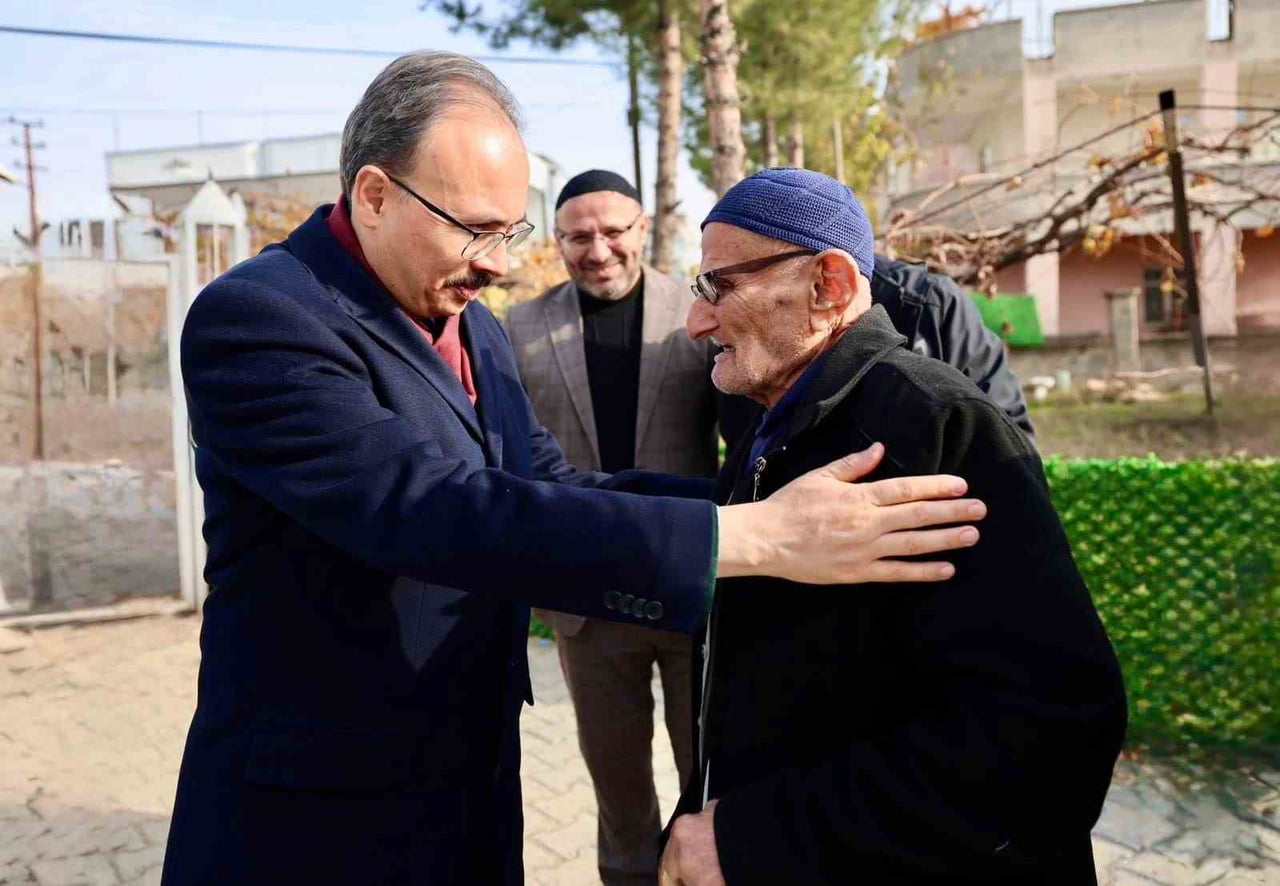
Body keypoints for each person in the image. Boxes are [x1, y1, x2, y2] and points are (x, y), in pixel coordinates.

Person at [159, 55, 989, 886]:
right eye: (475, 229)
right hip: (317, 814)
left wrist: (758, 500)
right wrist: (745, 537)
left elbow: (547, 484)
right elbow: (425, 508)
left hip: (468, 784)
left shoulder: (472, 326)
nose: (495, 262)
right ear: (375, 195)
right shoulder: (261, 318)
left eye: (509, 233)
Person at [659, 168, 1127, 886]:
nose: (696, 321)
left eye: (720, 286)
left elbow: (1048, 736)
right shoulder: (779, 418)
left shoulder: (936, 425)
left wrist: (754, 837)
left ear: (830, 286)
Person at [507, 170, 715, 886]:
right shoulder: (522, 327)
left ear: (643, 228)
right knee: (619, 800)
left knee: (710, 787)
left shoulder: (700, 311)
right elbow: (509, 460)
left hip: (694, 595)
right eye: (577, 236)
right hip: (587, 607)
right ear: (558, 242)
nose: (597, 249)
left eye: (612, 231)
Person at [716, 255, 1035, 452]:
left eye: (729, 285)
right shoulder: (729, 335)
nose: (698, 322)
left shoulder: (926, 307)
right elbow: (744, 467)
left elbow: (1009, 450)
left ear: (830, 281)